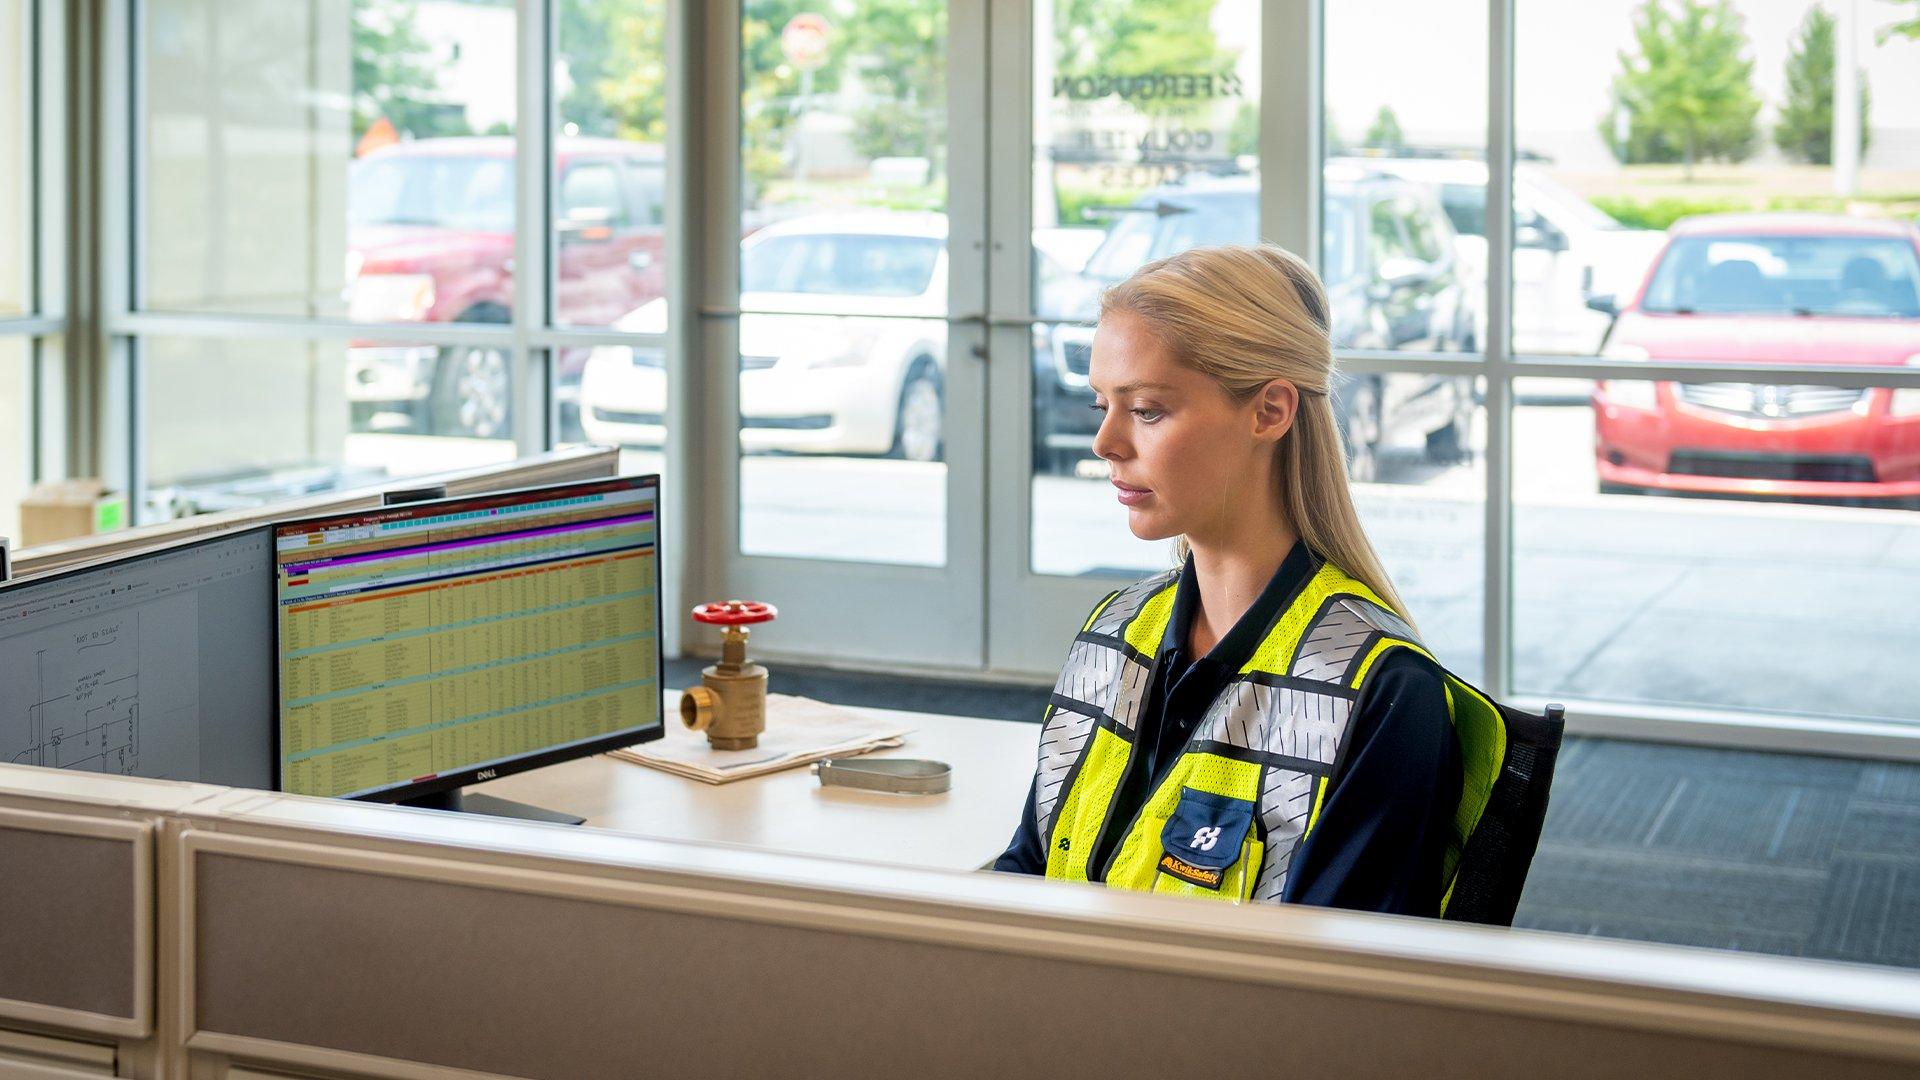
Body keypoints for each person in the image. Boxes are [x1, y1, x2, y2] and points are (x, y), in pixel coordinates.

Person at [994, 243, 1486, 917]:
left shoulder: (1382, 693)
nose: (1104, 442)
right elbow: (1031, 867)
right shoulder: (1114, 632)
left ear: (1270, 412)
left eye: (1145, 410)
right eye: (1101, 405)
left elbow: (1332, 1002)